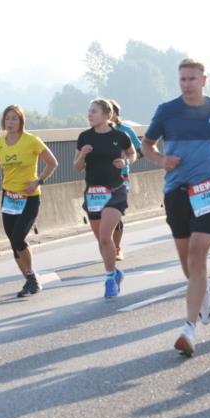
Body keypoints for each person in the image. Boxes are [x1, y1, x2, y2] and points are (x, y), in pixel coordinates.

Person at [142, 58, 210, 357]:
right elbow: (147, 145)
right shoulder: (167, 110)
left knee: (199, 252)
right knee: (189, 264)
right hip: (176, 190)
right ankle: (206, 288)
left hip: (208, 189)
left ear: (204, 80)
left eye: (192, 79)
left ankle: (188, 328)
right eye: (182, 79)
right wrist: (162, 160)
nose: (187, 84)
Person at [0, 105, 60, 297]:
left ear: (21, 122)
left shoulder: (31, 141)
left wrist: (38, 181)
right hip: (9, 197)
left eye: (14, 119)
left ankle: (32, 278)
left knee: (18, 238)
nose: (10, 122)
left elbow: (52, 163)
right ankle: (30, 279)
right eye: (7, 119)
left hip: (29, 197)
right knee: (13, 241)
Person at [75, 98, 137, 298]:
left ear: (106, 115)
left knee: (104, 237)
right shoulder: (84, 137)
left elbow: (132, 153)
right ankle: (116, 273)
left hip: (115, 191)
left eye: (94, 111)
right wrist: (82, 155)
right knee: (102, 241)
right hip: (93, 193)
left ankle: (109, 278)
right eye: (89, 111)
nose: (90, 115)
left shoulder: (120, 136)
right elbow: (77, 167)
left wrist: (125, 160)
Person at [109, 99, 142, 261]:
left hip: (121, 176)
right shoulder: (94, 132)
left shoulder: (125, 131)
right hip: (100, 178)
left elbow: (139, 151)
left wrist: (126, 160)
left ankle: (116, 248)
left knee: (116, 214)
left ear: (114, 113)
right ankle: (106, 245)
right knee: (101, 215)